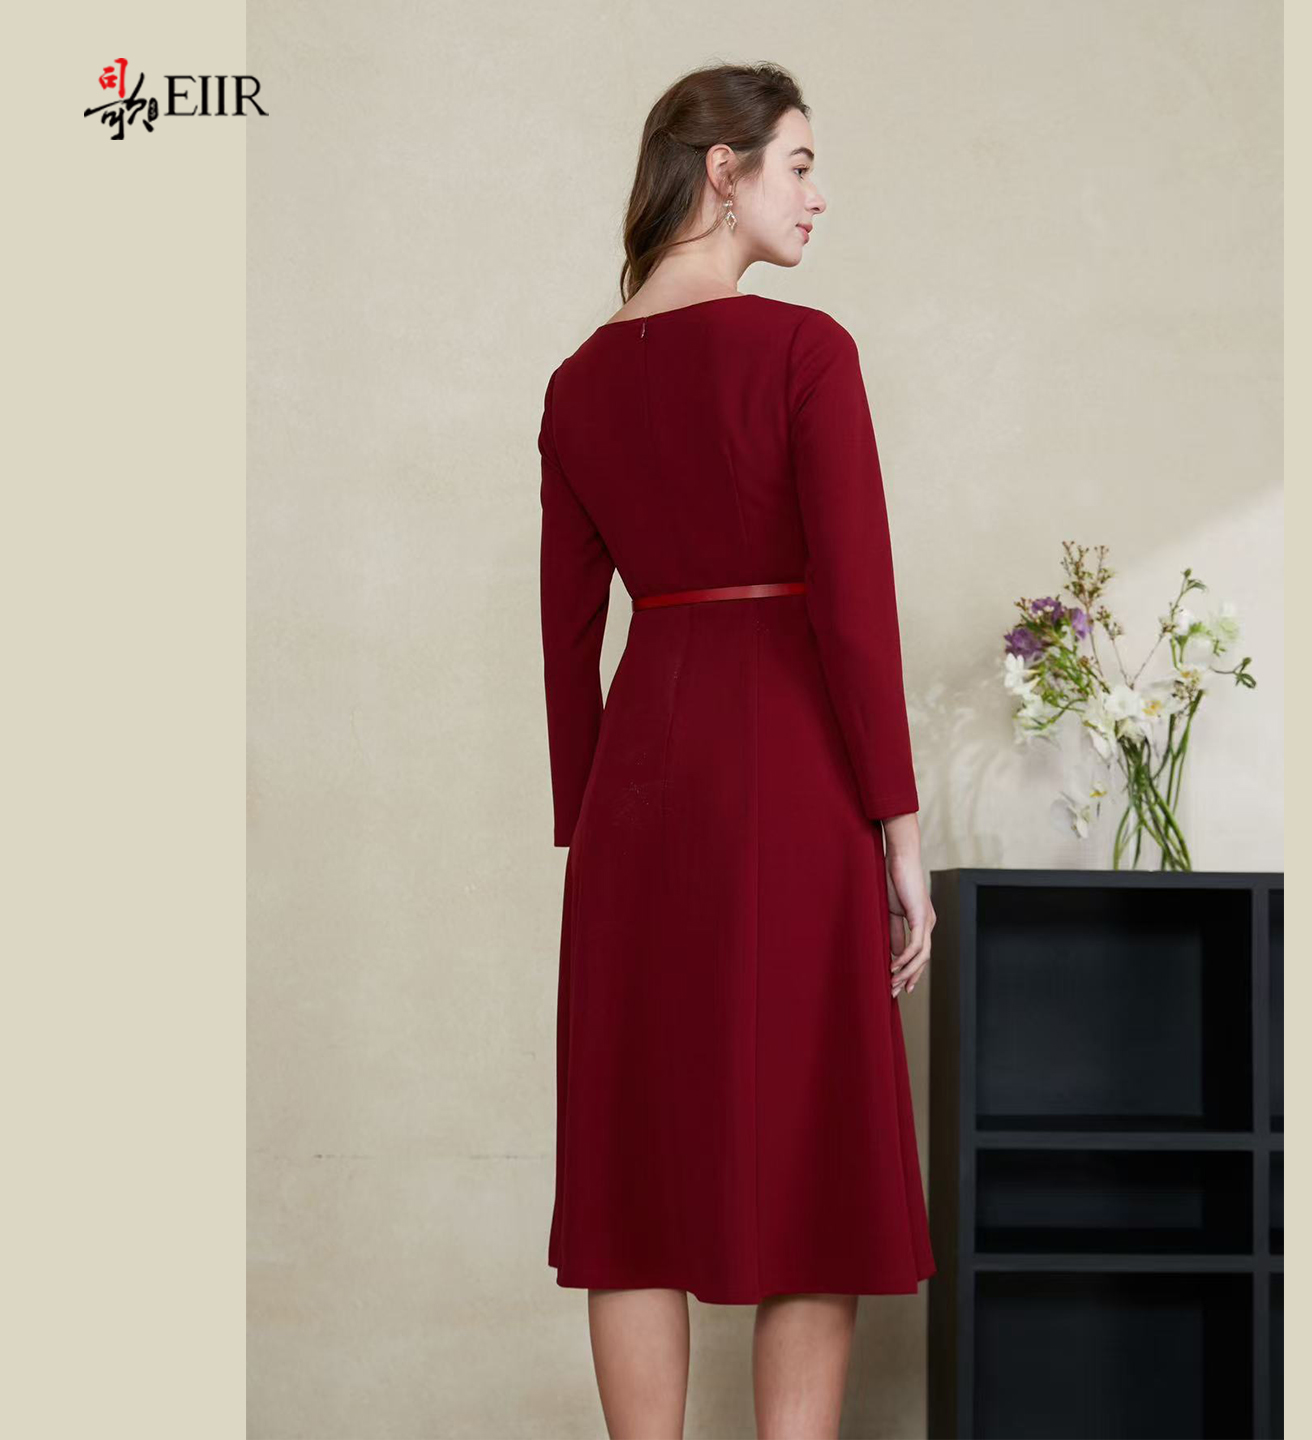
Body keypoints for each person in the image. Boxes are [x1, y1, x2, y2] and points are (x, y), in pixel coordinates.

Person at [537, 62, 937, 1440]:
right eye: (800, 165)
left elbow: (566, 635)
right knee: (811, 1152)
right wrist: (900, 829)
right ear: (725, 170)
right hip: (790, 775)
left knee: (631, 1177)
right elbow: (857, 611)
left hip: (637, 794)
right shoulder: (804, 351)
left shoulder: (577, 383)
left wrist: (587, 817)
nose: (818, 197)